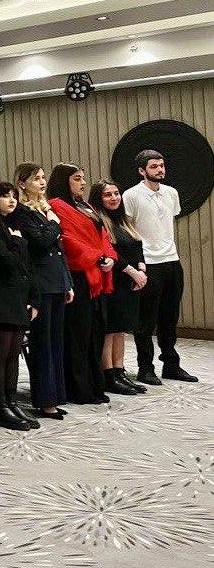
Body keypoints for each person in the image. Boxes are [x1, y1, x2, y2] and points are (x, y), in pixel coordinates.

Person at [123, 150, 198, 383]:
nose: (160, 170)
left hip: (171, 260)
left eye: (162, 165)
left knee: (170, 316)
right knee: (146, 320)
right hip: (148, 262)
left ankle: (171, 365)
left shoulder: (171, 193)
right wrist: (137, 264)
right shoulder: (131, 195)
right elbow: (128, 230)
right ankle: (145, 367)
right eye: (154, 166)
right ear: (142, 170)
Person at [10, 163, 73, 419]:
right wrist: (54, 224)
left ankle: (57, 395)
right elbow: (40, 242)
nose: (42, 182)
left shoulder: (44, 208)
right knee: (43, 343)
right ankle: (45, 399)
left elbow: (59, 250)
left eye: (43, 177)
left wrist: (67, 282)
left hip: (56, 280)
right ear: (22, 183)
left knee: (57, 341)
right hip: (40, 283)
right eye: (36, 178)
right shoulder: (22, 212)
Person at [0, 182, 40, 431]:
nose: (12, 200)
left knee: (14, 353)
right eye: (5, 196)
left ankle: (11, 402)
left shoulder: (12, 225)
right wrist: (18, 243)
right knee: (1, 353)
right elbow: (6, 261)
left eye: (14, 196)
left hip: (17, 297)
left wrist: (34, 298)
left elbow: (27, 266)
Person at [47, 163, 114, 405]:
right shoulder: (56, 205)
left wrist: (109, 256)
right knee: (78, 335)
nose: (83, 183)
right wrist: (97, 256)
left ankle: (95, 384)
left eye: (83, 178)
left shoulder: (85, 206)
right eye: (77, 178)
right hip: (78, 275)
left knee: (96, 332)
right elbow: (67, 239)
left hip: (97, 274)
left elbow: (102, 234)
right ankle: (78, 388)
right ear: (64, 180)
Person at [91, 180, 149, 395]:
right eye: (108, 195)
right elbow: (112, 254)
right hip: (113, 280)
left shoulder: (124, 220)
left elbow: (137, 246)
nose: (114, 198)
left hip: (130, 281)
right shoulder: (100, 221)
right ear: (99, 199)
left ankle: (120, 370)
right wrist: (133, 272)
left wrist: (141, 269)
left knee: (121, 329)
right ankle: (109, 374)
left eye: (116, 193)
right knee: (110, 329)